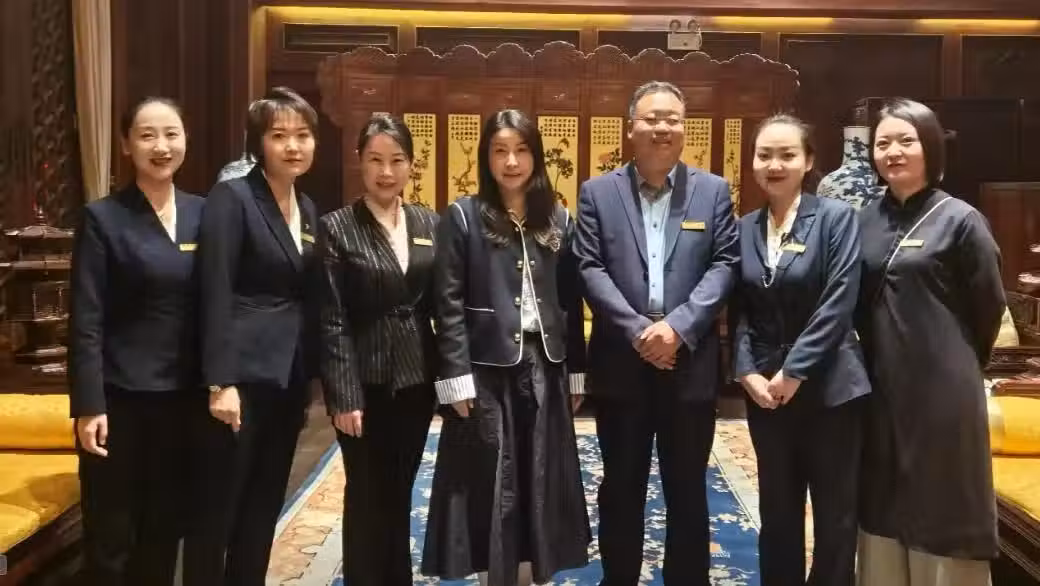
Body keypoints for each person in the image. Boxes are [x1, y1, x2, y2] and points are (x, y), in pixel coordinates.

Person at [573, 80, 739, 585]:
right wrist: (640, 332)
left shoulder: (713, 191)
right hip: (622, 365)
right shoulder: (598, 193)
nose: (662, 128)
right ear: (631, 128)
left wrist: (678, 329)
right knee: (620, 487)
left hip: (688, 364)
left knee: (687, 489)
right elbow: (589, 267)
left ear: (684, 129)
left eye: (672, 119)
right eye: (651, 118)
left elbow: (725, 264)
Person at [421, 109, 590, 586]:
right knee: (492, 478)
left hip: (546, 366)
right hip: (484, 369)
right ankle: (492, 574)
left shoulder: (558, 217)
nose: (511, 161)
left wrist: (576, 373)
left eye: (521, 150)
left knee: (539, 477)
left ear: (535, 157)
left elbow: (570, 301)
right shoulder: (463, 216)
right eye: (500, 151)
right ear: (486, 158)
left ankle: (530, 571)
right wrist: (454, 378)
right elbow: (447, 302)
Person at [855, 97, 1006, 586]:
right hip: (879, 383)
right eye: (883, 143)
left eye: (906, 140)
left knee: (943, 501)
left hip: (943, 388)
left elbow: (988, 307)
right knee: (881, 496)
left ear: (931, 147)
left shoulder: (960, 219)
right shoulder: (864, 220)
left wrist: (955, 362)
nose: (893, 152)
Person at [184, 86, 320, 586]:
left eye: (303, 135)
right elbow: (214, 288)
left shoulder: (307, 207)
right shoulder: (234, 197)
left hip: (287, 379)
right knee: (218, 509)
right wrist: (220, 382)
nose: (293, 146)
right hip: (240, 380)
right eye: (279, 135)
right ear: (258, 143)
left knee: (263, 505)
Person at [730, 113, 870, 586]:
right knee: (778, 511)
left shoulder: (835, 219)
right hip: (766, 394)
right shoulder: (744, 228)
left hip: (831, 388)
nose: (774, 165)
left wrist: (794, 370)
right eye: (764, 155)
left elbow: (838, 302)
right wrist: (746, 371)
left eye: (787, 155)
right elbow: (740, 309)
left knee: (834, 515)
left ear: (808, 161)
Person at [68, 96, 203, 586]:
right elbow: (86, 318)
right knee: (111, 535)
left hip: (183, 399)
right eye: (147, 135)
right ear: (126, 145)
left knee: (164, 529)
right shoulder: (103, 218)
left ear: (185, 139)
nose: (161, 146)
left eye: (171, 133)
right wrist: (88, 405)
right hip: (119, 400)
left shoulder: (204, 213)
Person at [317, 113, 439, 585]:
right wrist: (344, 395)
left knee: (399, 490)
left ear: (411, 165)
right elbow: (332, 318)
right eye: (375, 160)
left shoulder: (429, 222)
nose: (386, 172)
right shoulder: (337, 227)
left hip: (416, 380)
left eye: (396, 160)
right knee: (366, 495)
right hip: (364, 385)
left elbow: (443, 304)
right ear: (360, 162)